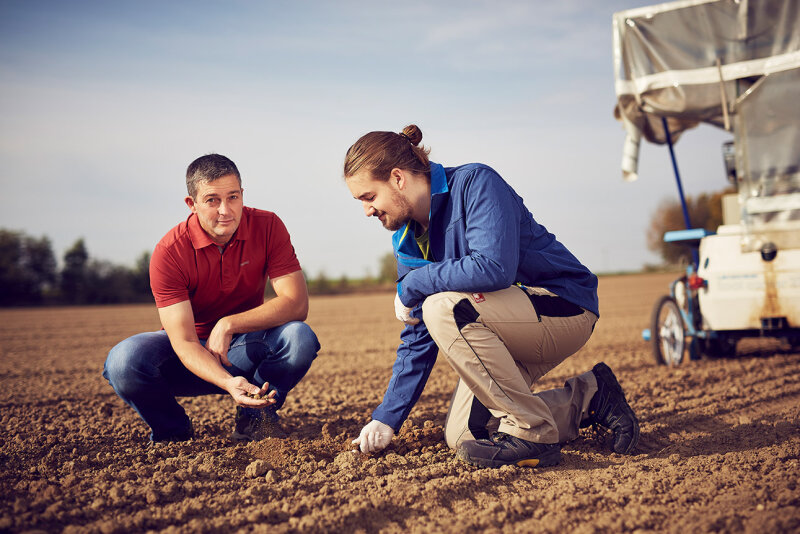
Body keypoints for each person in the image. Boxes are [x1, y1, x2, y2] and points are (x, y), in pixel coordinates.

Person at [344, 125, 639, 468]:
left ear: (397, 178)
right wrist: (387, 417)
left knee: (443, 307)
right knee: (466, 437)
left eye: (368, 197)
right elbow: (418, 329)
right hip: (499, 326)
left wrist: (413, 285)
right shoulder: (407, 240)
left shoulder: (476, 184)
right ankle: (591, 396)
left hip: (563, 306)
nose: (367, 210)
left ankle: (533, 431)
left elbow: (493, 267)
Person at [104, 154, 319, 443]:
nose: (225, 210)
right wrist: (228, 383)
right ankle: (173, 430)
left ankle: (254, 420)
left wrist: (228, 324)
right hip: (187, 357)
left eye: (233, 197)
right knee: (123, 361)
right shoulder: (170, 252)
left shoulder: (268, 226)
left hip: (242, 347)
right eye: (212, 200)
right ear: (191, 204)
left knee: (299, 337)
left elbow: (297, 303)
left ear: (243, 195)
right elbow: (184, 342)